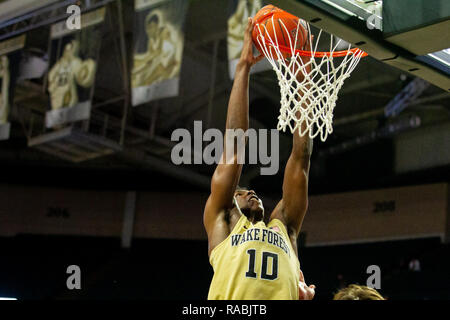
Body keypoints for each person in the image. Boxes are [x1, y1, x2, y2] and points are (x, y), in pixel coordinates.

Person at [204, 17, 314, 300]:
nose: (250, 191)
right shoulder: (225, 223)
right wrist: (243, 67)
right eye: (240, 192)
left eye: (246, 190)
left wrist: (303, 82)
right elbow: (233, 148)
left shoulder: (285, 228)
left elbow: (300, 158)